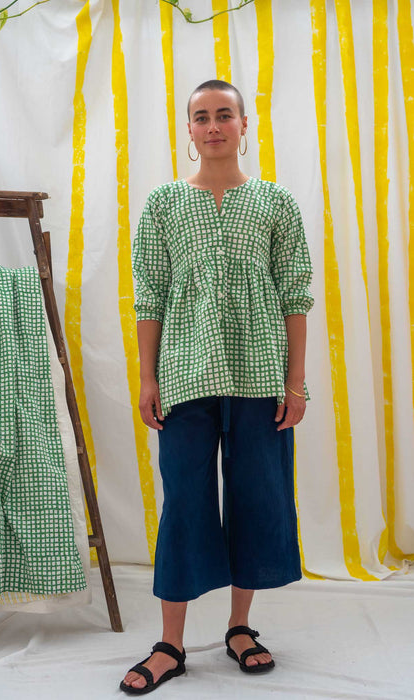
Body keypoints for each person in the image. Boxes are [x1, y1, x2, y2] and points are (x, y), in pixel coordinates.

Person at [120, 79, 314, 695]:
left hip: (261, 378)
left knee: (257, 498)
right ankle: (170, 644)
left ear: (244, 124)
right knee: (184, 502)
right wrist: (147, 377)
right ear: (189, 129)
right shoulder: (164, 204)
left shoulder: (276, 202)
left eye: (224, 115)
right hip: (184, 377)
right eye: (201, 117)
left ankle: (239, 627)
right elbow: (149, 296)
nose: (213, 126)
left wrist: (296, 382)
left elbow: (296, 295)